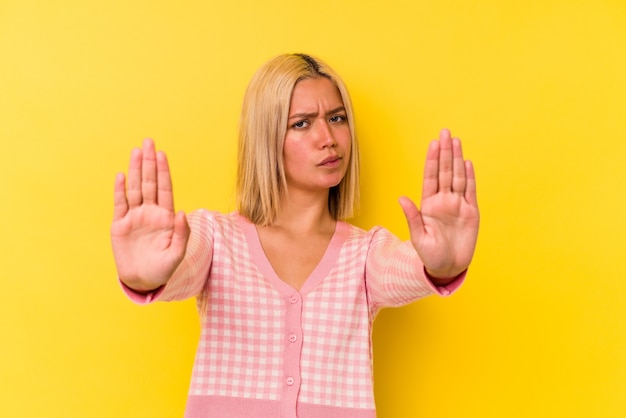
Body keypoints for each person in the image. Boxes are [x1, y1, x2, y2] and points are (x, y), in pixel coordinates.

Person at [111, 53, 479, 418]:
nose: (328, 138)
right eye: (302, 124)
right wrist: (145, 276)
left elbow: (404, 270)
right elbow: (182, 270)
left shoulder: (364, 253)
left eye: (337, 118)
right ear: (266, 138)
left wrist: (440, 266)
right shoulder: (215, 238)